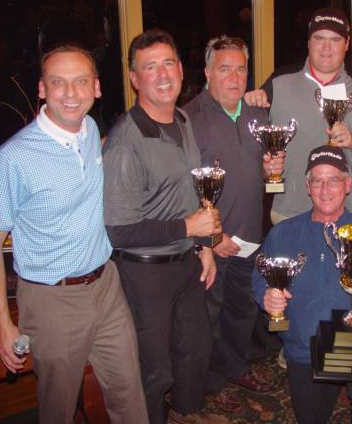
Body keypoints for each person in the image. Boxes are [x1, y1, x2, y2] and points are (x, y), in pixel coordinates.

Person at [0, 44, 148, 424]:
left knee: (131, 397)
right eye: (58, 83)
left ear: (96, 88)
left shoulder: (91, 129)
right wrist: (2, 323)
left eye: (80, 82)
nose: (70, 93)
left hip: (106, 286)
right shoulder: (13, 158)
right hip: (52, 300)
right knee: (58, 409)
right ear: (42, 89)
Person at [102, 29, 225, 424]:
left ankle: (188, 415)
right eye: (149, 67)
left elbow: (190, 196)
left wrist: (204, 243)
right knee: (155, 372)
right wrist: (190, 227)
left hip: (186, 264)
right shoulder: (125, 142)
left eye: (168, 62)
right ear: (135, 79)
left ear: (180, 68)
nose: (162, 74)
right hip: (144, 274)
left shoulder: (183, 120)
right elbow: (118, 231)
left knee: (196, 353)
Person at [251, 145, 352, 424]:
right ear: (307, 187)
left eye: (333, 180)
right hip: (304, 349)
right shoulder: (283, 233)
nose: (325, 189)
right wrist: (266, 295)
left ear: (347, 185)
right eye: (317, 181)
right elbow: (259, 274)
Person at [182, 36, 284, 410]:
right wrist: (213, 236)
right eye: (224, 68)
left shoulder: (259, 115)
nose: (234, 76)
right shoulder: (189, 118)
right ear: (208, 72)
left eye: (241, 69)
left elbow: (258, 169)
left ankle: (235, 365)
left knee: (242, 309)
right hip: (212, 242)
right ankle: (210, 383)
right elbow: (184, 186)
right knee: (209, 314)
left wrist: (271, 168)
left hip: (251, 236)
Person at [245, 7, 352, 223]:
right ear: (308, 42)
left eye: (335, 39)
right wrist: (249, 101)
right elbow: (252, 141)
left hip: (349, 214)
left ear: (347, 44)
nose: (326, 47)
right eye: (319, 38)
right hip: (289, 211)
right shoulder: (278, 82)